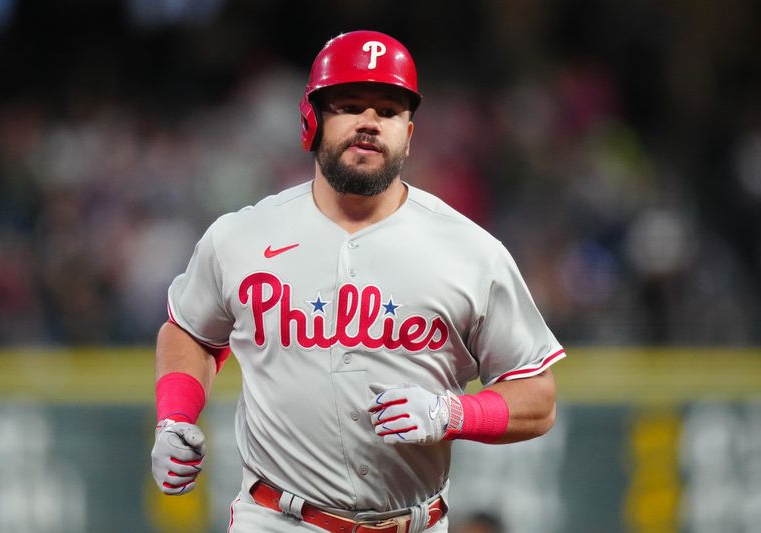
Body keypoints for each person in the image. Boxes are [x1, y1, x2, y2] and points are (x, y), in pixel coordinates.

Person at [150, 30, 565, 533]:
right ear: (312, 120)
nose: (370, 122)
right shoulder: (241, 237)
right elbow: (191, 330)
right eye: (349, 104)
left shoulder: (471, 251)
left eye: (388, 111)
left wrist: (452, 412)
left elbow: (537, 396)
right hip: (278, 520)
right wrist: (175, 415)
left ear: (409, 136)